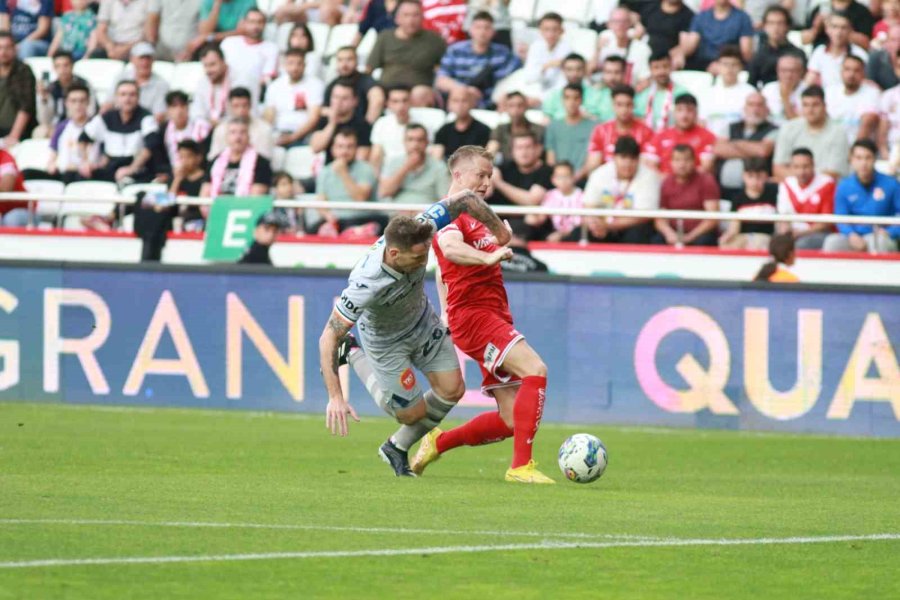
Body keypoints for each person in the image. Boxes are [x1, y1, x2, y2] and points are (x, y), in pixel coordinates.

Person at [320, 171, 511, 478]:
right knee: (410, 414)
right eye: (418, 257)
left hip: (422, 322)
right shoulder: (366, 282)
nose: (424, 261)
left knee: (453, 389)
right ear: (394, 254)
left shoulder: (422, 225)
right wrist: (336, 397)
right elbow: (329, 335)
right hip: (385, 342)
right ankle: (353, 352)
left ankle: (395, 448)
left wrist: (500, 233)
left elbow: (465, 199)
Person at [414, 144, 555, 485]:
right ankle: (521, 467)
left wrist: (445, 307)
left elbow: (440, 269)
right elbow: (448, 248)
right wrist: (488, 258)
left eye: (489, 177)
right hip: (476, 318)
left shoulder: (477, 214)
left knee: (510, 420)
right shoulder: (445, 214)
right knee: (536, 369)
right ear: (457, 174)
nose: (486, 183)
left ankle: (437, 442)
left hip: (492, 314)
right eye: (480, 175)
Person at [823, 139, 900, 253]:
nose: (863, 163)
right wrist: (851, 235)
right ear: (852, 160)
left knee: (879, 242)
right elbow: (840, 218)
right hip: (853, 237)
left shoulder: (891, 184)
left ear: (875, 159)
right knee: (832, 242)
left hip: (881, 236)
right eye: (859, 158)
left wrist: (889, 232)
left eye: (868, 157)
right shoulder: (844, 186)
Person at [366, 0, 447, 107]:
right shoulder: (385, 37)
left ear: (422, 17)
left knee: (420, 93)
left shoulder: (435, 40)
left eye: (415, 15)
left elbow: (445, 69)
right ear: (397, 18)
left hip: (419, 91)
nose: (411, 20)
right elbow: (369, 69)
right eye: (406, 15)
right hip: (387, 91)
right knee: (375, 95)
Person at [582, 135, 660, 244]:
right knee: (581, 232)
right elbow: (589, 205)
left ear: (638, 160)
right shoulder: (600, 174)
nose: (627, 164)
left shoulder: (649, 176)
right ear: (614, 158)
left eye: (632, 158)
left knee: (638, 233)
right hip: (603, 225)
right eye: (623, 157)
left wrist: (609, 226)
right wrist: (596, 224)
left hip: (633, 227)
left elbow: (644, 216)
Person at [435, 11, 520, 109]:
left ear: (493, 31)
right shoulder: (455, 51)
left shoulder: (503, 53)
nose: (482, 32)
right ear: (470, 30)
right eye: (478, 27)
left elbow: (518, 77)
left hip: (493, 104)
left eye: (487, 28)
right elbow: (441, 80)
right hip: (460, 104)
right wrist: (466, 90)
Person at [80, 80, 158, 183]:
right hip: (110, 166)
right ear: (116, 97)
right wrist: (85, 161)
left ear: (138, 97)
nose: (127, 99)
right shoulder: (107, 117)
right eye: (123, 94)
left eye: (132, 95)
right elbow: (83, 139)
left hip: (137, 168)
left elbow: (149, 147)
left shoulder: (146, 118)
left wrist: (131, 169)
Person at [772, 85, 849, 180]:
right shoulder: (789, 128)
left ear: (825, 106)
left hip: (827, 190)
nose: (810, 110)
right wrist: (802, 180)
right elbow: (778, 169)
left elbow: (833, 174)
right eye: (805, 105)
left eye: (815, 105)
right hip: (795, 189)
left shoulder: (838, 132)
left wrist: (802, 178)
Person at [315, 127, 382, 236]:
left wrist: (343, 173)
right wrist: (328, 216)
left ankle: (354, 231)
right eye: (340, 146)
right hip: (336, 220)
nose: (344, 151)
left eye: (349, 147)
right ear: (333, 149)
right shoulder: (325, 171)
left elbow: (360, 197)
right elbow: (320, 201)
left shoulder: (366, 168)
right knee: (314, 228)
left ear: (356, 149)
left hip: (361, 217)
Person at [714, 92, 778, 200]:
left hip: (757, 193)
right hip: (724, 190)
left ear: (767, 109)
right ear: (744, 108)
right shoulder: (730, 127)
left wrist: (733, 143)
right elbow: (719, 149)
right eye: (751, 105)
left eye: (759, 105)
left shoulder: (774, 130)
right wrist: (751, 150)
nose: (755, 109)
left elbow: (763, 151)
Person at [490, 132, 553, 241]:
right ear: (512, 151)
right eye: (519, 148)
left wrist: (500, 183)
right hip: (501, 225)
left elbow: (532, 200)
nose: (524, 152)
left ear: (538, 149)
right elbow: (485, 193)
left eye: (528, 147)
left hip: (532, 229)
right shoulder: (504, 168)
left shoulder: (546, 171)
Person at [654, 144, 721, 246]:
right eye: (677, 160)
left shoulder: (706, 181)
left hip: (700, 233)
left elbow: (712, 218)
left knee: (705, 241)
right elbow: (660, 218)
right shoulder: (666, 182)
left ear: (694, 161)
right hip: (674, 232)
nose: (682, 164)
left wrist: (690, 237)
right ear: (671, 162)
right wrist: (669, 234)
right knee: (656, 240)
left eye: (686, 160)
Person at [585, 84, 654, 173]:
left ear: (633, 105)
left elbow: (647, 165)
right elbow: (593, 165)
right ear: (612, 105)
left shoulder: (645, 132)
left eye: (628, 105)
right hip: (606, 179)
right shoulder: (601, 131)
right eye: (619, 105)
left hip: (636, 179)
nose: (624, 109)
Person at [776, 148, 836, 250]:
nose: (801, 172)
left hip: (818, 233)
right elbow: (783, 218)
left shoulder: (827, 183)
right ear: (791, 167)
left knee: (800, 245)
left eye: (805, 166)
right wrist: (785, 234)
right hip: (793, 233)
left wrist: (801, 233)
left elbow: (826, 222)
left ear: (813, 165)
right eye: (797, 167)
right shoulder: (786, 184)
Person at [263, 48, 324, 148]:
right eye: (291, 63)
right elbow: (269, 116)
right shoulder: (275, 86)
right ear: (284, 65)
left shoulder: (316, 85)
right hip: (278, 133)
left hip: (303, 136)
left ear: (305, 65)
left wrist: (292, 138)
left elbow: (314, 118)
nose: (295, 68)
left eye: (299, 63)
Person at [644, 93, 716, 176]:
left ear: (696, 113)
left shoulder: (707, 136)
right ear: (674, 113)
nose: (684, 115)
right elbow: (650, 166)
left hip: (694, 184)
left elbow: (706, 167)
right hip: (663, 183)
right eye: (679, 110)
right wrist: (667, 182)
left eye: (689, 110)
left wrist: (679, 182)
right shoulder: (660, 136)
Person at [201, 116, 271, 199]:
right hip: (216, 209)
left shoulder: (261, 163)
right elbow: (204, 195)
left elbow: (256, 199)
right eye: (233, 132)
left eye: (242, 132)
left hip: (244, 209)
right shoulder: (215, 161)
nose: (238, 137)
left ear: (249, 137)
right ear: (226, 137)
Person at [191, 44, 259, 129]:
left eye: (212, 64)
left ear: (223, 62)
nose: (209, 70)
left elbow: (248, 112)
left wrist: (221, 124)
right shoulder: (203, 82)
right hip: (209, 128)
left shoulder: (241, 79)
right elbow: (197, 110)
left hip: (238, 128)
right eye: (205, 65)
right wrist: (202, 122)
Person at [378, 123, 450, 203]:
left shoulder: (439, 167)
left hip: (426, 213)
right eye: (410, 139)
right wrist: (406, 167)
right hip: (397, 213)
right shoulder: (393, 162)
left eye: (420, 140)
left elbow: (444, 199)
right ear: (404, 142)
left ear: (427, 142)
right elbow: (384, 192)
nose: (415, 145)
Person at [719, 158, 779, 250]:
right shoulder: (738, 198)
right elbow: (734, 228)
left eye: (759, 177)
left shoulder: (774, 194)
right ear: (744, 176)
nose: (755, 181)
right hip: (744, 238)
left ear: (766, 176)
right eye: (750, 176)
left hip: (767, 238)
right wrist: (726, 238)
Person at [679, 0, 754, 71]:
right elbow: (689, 49)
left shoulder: (743, 18)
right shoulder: (700, 17)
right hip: (703, 66)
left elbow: (746, 52)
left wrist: (723, 66)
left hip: (730, 65)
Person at [310, 78, 372, 164]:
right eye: (335, 97)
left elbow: (361, 159)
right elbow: (315, 148)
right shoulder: (324, 120)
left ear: (355, 101)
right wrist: (332, 123)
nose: (338, 102)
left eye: (344, 98)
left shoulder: (362, 125)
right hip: (328, 171)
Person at [700, 46, 756, 138]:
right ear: (718, 66)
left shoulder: (750, 93)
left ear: (741, 67)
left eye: (734, 65)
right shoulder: (707, 93)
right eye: (725, 64)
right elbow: (701, 122)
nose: (729, 69)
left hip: (739, 143)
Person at [105, 42, 170, 121]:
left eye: (148, 58)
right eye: (141, 58)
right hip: (118, 123)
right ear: (132, 59)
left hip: (146, 125)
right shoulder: (121, 77)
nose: (145, 62)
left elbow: (159, 116)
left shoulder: (161, 85)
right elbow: (108, 104)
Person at [220, 8, 279, 95]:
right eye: (252, 22)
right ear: (244, 23)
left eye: (260, 22)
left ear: (265, 24)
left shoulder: (271, 48)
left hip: (253, 96)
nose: (255, 26)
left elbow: (267, 78)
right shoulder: (228, 43)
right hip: (225, 93)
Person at [544, 84, 596, 182]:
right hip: (559, 181)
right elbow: (550, 159)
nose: (571, 102)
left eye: (576, 98)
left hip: (584, 180)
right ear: (562, 100)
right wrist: (561, 179)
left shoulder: (594, 126)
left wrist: (576, 177)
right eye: (567, 98)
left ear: (581, 100)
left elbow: (593, 158)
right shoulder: (553, 126)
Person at [47, 84, 97, 183]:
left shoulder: (97, 126)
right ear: (66, 103)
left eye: (82, 101)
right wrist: (51, 165)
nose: (78, 105)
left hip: (86, 174)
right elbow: (53, 155)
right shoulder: (61, 127)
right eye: (73, 101)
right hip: (62, 173)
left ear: (88, 102)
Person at [155, 91, 211, 178]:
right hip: (172, 174)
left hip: (197, 175)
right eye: (174, 106)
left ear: (188, 108)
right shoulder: (163, 130)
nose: (179, 110)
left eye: (183, 106)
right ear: (168, 110)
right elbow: (160, 158)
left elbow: (204, 156)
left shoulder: (201, 127)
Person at [543, 53, 614, 122]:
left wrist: (589, 118)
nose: (574, 74)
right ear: (563, 71)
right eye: (569, 69)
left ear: (585, 70)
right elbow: (546, 120)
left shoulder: (599, 94)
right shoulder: (554, 95)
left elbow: (607, 122)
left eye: (578, 69)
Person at [824, 56, 879, 144]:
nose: (851, 74)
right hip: (830, 144)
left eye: (856, 70)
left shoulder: (872, 93)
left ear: (863, 73)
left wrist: (854, 152)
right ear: (841, 71)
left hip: (858, 148)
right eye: (847, 69)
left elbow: (867, 124)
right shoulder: (829, 92)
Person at [208, 87, 274, 160]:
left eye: (244, 105)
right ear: (230, 107)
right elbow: (213, 157)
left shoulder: (264, 129)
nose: (241, 110)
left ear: (250, 105)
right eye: (236, 106)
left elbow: (265, 157)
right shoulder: (220, 130)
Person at [805, 13, 868, 90]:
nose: (839, 32)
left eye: (843, 28)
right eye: (834, 27)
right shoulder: (819, 52)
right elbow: (810, 79)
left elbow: (865, 81)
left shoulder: (859, 54)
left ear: (850, 30)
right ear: (827, 29)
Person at [524, 161, 584, 242]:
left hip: (575, 236)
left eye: (566, 176)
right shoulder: (550, 195)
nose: (563, 180)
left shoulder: (582, 195)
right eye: (559, 177)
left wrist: (562, 234)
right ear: (553, 179)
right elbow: (541, 218)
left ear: (573, 177)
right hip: (554, 233)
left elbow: (582, 223)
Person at [593, 7, 651, 89]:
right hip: (604, 91)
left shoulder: (641, 48)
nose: (620, 25)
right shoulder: (604, 39)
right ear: (608, 24)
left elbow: (645, 80)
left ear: (630, 23)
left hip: (629, 92)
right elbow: (589, 71)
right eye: (615, 22)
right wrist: (597, 50)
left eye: (624, 21)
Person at [324, 47, 383, 125]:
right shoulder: (332, 84)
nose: (344, 64)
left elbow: (377, 99)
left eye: (349, 59)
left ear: (357, 61)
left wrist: (366, 127)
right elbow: (325, 109)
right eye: (340, 60)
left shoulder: (365, 80)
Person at [747, 6, 802, 87]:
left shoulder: (798, 54)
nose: (775, 28)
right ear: (764, 26)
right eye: (771, 23)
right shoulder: (758, 56)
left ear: (787, 26)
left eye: (780, 23)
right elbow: (751, 85)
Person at [634, 52, 688, 132]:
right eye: (656, 68)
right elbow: (635, 118)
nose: (661, 71)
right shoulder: (643, 93)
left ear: (671, 67)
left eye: (665, 66)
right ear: (650, 70)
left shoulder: (682, 93)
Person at [184, 0, 256, 57]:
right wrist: (217, 4)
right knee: (195, 47)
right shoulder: (208, 1)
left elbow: (242, 31)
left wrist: (211, 37)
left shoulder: (248, 1)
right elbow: (204, 32)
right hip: (216, 41)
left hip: (238, 40)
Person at [433, 88, 491, 159]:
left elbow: (486, 158)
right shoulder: (443, 131)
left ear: (472, 103)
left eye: (464, 101)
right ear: (449, 104)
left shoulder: (484, 131)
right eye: (455, 101)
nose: (460, 105)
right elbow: (437, 159)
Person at [0, 32, 36, 145]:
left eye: (7, 47)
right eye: (0, 48)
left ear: (15, 49)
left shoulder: (23, 71)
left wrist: (13, 136)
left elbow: (25, 106)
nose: (3, 52)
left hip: (18, 131)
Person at [522, 12, 571, 94]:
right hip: (536, 90)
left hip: (558, 93)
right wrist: (546, 66)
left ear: (562, 31)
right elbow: (528, 78)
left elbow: (563, 81)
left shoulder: (568, 50)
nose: (550, 34)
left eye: (555, 29)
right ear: (540, 30)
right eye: (546, 29)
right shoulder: (535, 47)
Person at [488, 91, 544, 162]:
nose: (515, 110)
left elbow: (540, 154)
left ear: (526, 107)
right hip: (507, 169)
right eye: (511, 106)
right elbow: (491, 150)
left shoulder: (539, 130)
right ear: (506, 108)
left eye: (520, 105)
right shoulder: (500, 129)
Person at [94, 0, 159, 61]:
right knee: (95, 57)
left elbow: (149, 34)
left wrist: (125, 49)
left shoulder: (148, 2)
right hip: (112, 47)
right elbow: (101, 30)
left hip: (137, 46)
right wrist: (110, 48)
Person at [370, 85, 414, 173]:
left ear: (411, 102)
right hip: (389, 172)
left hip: (415, 170)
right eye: (395, 101)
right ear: (388, 104)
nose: (401, 106)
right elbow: (376, 155)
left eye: (405, 100)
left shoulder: (424, 123)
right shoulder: (381, 123)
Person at [803, 0, 874, 49]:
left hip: (850, 56)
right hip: (822, 54)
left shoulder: (861, 11)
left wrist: (842, 30)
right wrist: (816, 27)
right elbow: (804, 40)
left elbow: (866, 43)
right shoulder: (820, 9)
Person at [761, 53, 808, 125]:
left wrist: (785, 98)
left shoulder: (808, 90)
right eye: (784, 70)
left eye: (793, 71)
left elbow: (798, 125)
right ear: (777, 71)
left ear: (801, 71)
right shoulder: (768, 89)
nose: (788, 75)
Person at [0, 147, 29, 226]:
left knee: (12, 219)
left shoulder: (5, 158)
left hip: (20, 209)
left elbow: (6, 188)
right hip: (3, 210)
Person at [867, 24, 900, 90]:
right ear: (886, 42)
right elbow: (870, 83)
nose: (898, 44)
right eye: (893, 40)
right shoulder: (875, 58)